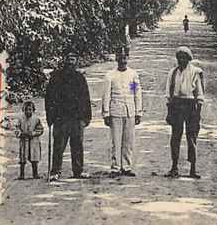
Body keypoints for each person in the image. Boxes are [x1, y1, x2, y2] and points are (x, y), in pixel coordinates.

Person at [45, 51, 92, 181]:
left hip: (76, 118)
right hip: (61, 118)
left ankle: (78, 170)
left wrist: (86, 117)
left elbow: (86, 98)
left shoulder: (80, 78)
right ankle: (55, 171)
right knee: (58, 146)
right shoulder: (56, 77)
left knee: (77, 145)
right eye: (69, 59)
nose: (70, 62)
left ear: (76, 61)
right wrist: (50, 117)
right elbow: (49, 98)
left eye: (73, 59)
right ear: (64, 60)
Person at [102, 47, 142, 177]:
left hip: (129, 111)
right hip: (115, 111)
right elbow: (106, 95)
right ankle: (115, 167)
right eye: (120, 57)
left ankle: (127, 166)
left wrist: (138, 112)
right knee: (116, 141)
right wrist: (106, 113)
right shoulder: (110, 76)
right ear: (116, 58)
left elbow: (136, 93)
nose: (122, 60)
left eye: (125, 57)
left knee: (128, 141)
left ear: (128, 58)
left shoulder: (133, 74)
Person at [165, 46, 204, 179]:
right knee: (175, 136)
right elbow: (169, 94)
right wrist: (169, 111)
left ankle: (193, 168)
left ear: (189, 59)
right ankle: (174, 167)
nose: (181, 60)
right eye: (179, 57)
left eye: (184, 57)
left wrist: (198, 113)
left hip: (190, 105)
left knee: (191, 137)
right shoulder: (173, 72)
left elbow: (199, 95)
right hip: (176, 105)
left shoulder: (195, 72)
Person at [14, 100, 44, 180]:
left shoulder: (36, 119)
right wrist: (21, 134)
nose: (28, 111)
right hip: (24, 141)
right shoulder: (20, 119)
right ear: (24, 110)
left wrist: (33, 133)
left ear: (33, 110)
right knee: (23, 158)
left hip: (34, 141)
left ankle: (35, 173)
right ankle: (22, 174)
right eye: (26, 109)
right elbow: (17, 129)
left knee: (34, 157)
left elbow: (40, 129)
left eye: (30, 109)